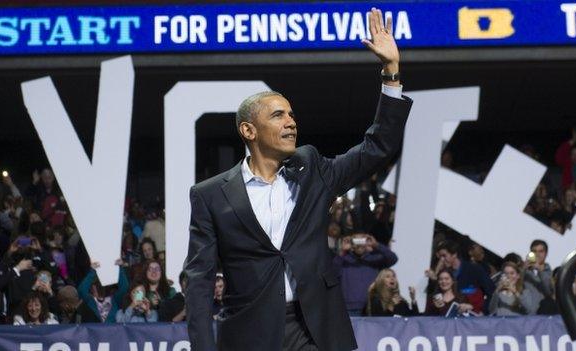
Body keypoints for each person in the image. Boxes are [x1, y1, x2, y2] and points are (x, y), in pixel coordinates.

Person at [184, 9, 412, 351]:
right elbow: (199, 281)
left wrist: (390, 72)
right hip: (251, 335)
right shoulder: (211, 195)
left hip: (316, 329)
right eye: (278, 115)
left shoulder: (312, 169)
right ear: (249, 130)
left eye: (292, 114)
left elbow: (377, 147)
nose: (291, 122)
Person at [333, 233, 398, 316]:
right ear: (352, 243)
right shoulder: (344, 260)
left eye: (362, 240)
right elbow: (332, 273)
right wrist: (342, 251)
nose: (359, 244)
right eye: (356, 240)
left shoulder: (374, 259)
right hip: (350, 308)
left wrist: (376, 245)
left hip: (372, 305)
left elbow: (393, 258)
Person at [428, 241, 495, 314]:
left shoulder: (474, 269)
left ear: (454, 254)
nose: (441, 260)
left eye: (444, 256)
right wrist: (435, 280)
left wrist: (483, 311)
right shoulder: (443, 274)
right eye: (440, 257)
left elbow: (492, 292)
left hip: (472, 318)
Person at [523, 240, 553, 309]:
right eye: (534, 251)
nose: (537, 254)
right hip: (527, 315)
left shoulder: (551, 273)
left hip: (545, 312)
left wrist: (540, 270)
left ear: (546, 253)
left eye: (541, 251)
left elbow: (549, 291)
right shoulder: (525, 271)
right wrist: (522, 270)